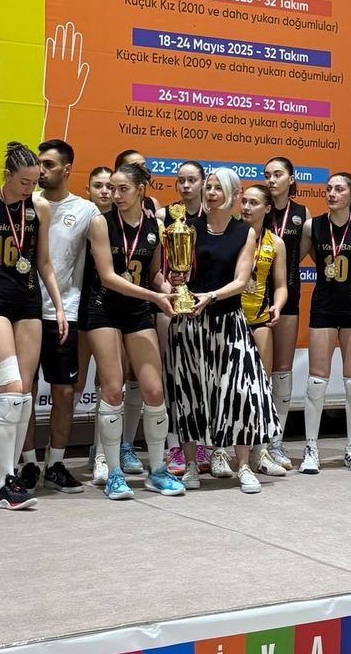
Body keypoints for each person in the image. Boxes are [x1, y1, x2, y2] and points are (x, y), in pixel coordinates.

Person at [0, 141, 67, 510]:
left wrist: (58, 308)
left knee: (24, 393)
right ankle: (3, 482)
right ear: (7, 175)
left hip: (28, 301)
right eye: (24, 182)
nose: (30, 188)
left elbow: (44, 263)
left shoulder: (39, 207)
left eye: (34, 182)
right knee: (10, 389)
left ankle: (11, 475)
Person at [167, 167, 276, 493]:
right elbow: (175, 271)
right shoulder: (188, 228)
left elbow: (242, 281)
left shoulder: (245, 232)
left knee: (240, 393)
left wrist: (211, 296)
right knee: (189, 394)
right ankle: (191, 466)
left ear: (233, 194)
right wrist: (177, 282)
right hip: (189, 322)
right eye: (209, 187)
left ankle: (243, 465)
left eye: (218, 188)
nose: (211, 193)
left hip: (229, 321)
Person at [82, 162, 181, 499]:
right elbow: (108, 277)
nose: (115, 194)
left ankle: (158, 470)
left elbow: (154, 274)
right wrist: (155, 296)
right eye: (112, 188)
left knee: (154, 391)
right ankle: (113, 473)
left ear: (141, 190)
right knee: (112, 390)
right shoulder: (101, 222)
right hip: (103, 308)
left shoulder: (155, 226)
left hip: (137, 311)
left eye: (122, 189)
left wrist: (170, 289)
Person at [17, 139, 96, 495]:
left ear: (66, 169)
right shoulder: (22, 204)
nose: (41, 170)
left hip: (66, 312)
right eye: (39, 163)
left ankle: (57, 463)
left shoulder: (86, 211)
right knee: (25, 391)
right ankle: (28, 463)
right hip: (23, 311)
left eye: (48, 164)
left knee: (64, 391)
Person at [298, 172, 351, 475]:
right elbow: (299, 258)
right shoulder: (313, 226)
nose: (332, 194)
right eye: (329, 189)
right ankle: (311, 448)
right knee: (317, 380)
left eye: (339, 189)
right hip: (323, 306)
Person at [156, 161, 206, 477]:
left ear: (203, 182)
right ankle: (174, 443)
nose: (185, 186)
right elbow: (156, 267)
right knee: (172, 376)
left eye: (191, 180)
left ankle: (201, 443)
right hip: (171, 305)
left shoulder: (213, 217)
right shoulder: (165, 217)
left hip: (203, 305)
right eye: (181, 181)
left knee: (201, 378)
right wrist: (169, 292)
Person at [239, 184, 289, 477]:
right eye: (244, 201)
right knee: (227, 387)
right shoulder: (232, 234)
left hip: (260, 319)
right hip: (230, 319)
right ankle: (219, 451)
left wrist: (278, 306)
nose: (246, 207)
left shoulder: (276, 243)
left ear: (267, 208)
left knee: (261, 386)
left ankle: (260, 452)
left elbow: (280, 285)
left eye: (253, 203)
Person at [263, 156, 305, 471]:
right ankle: (258, 440)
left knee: (282, 368)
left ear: (291, 179)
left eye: (278, 174)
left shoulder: (302, 215)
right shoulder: (257, 210)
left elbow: (311, 251)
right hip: (255, 299)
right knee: (258, 370)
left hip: (288, 297)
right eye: (267, 175)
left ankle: (276, 441)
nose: (272, 180)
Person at [80, 166, 112, 484]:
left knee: (108, 383)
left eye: (109, 186)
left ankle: (101, 454)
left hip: (110, 311)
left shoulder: (119, 224)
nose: (104, 191)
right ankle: (54, 458)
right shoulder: (80, 220)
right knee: (73, 386)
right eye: (98, 185)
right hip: (79, 309)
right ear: (87, 189)